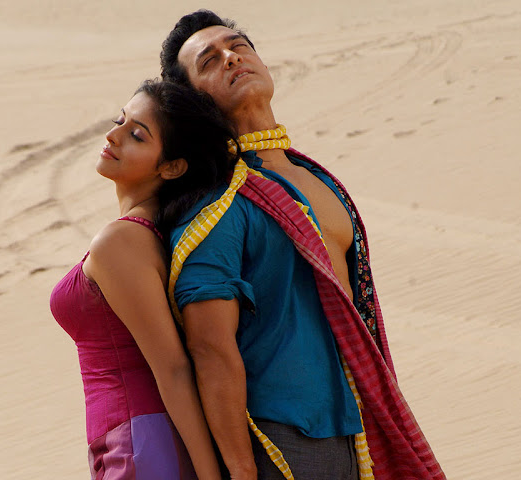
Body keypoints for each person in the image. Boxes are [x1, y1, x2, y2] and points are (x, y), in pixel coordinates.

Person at [160, 10, 446, 480]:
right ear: (193, 100)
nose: (231, 57)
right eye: (209, 61)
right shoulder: (216, 204)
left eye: (239, 46)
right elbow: (209, 347)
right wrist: (241, 469)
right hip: (281, 436)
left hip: (355, 424)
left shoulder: (314, 176)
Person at [50, 79, 238, 480]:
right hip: (134, 440)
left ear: (171, 166)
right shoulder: (148, 235)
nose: (113, 136)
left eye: (137, 135)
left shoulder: (121, 242)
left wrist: (210, 475)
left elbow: (174, 369)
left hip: (140, 445)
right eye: (120, 121)